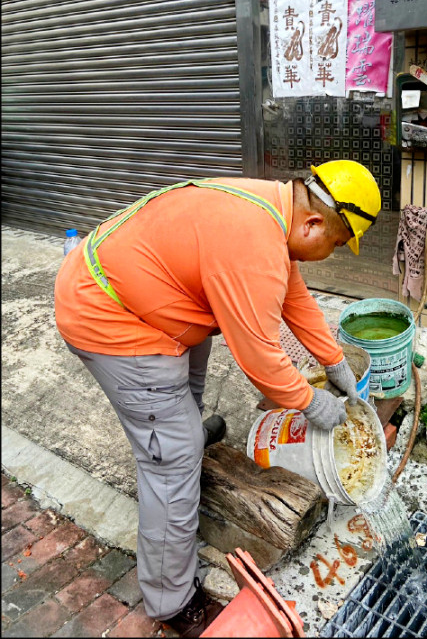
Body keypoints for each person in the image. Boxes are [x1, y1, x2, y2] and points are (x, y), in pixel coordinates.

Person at [54, 159, 381, 637]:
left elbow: (296, 301)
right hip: (111, 316)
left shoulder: (274, 210)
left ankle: (178, 430)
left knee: (184, 405)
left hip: (153, 298)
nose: (331, 252)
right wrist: (317, 405)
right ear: (313, 223)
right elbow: (262, 360)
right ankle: (171, 599)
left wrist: (335, 364)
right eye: (334, 243)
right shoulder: (253, 246)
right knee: (172, 459)